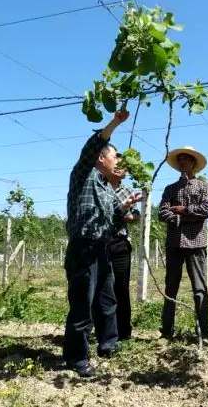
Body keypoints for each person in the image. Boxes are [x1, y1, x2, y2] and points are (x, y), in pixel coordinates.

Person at [63, 109, 136, 378]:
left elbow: (112, 225)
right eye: (114, 155)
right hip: (83, 247)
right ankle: (76, 358)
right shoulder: (83, 175)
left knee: (107, 300)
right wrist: (115, 122)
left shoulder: (107, 188)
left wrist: (123, 208)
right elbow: (91, 145)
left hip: (101, 247)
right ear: (100, 158)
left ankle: (109, 344)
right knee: (82, 305)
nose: (118, 160)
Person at [158, 146, 208, 339]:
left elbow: (204, 211)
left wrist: (181, 210)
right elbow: (162, 213)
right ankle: (166, 331)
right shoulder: (170, 189)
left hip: (196, 244)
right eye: (179, 159)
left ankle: (204, 332)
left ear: (193, 163)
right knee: (170, 288)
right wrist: (181, 216)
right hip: (174, 244)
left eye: (186, 159)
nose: (182, 162)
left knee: (199, 289)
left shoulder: (204, 187)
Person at [108, 166, 142, 341]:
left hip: (120, 242)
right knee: (102, 289)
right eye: (118, 165)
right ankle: (105, 331)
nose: (121, 169)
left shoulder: (128, 190)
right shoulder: (101, 188)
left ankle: (124, 332)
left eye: (125, 167)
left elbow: (136, 214)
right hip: (101, 242)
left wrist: (132, 217)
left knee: (121, 288)